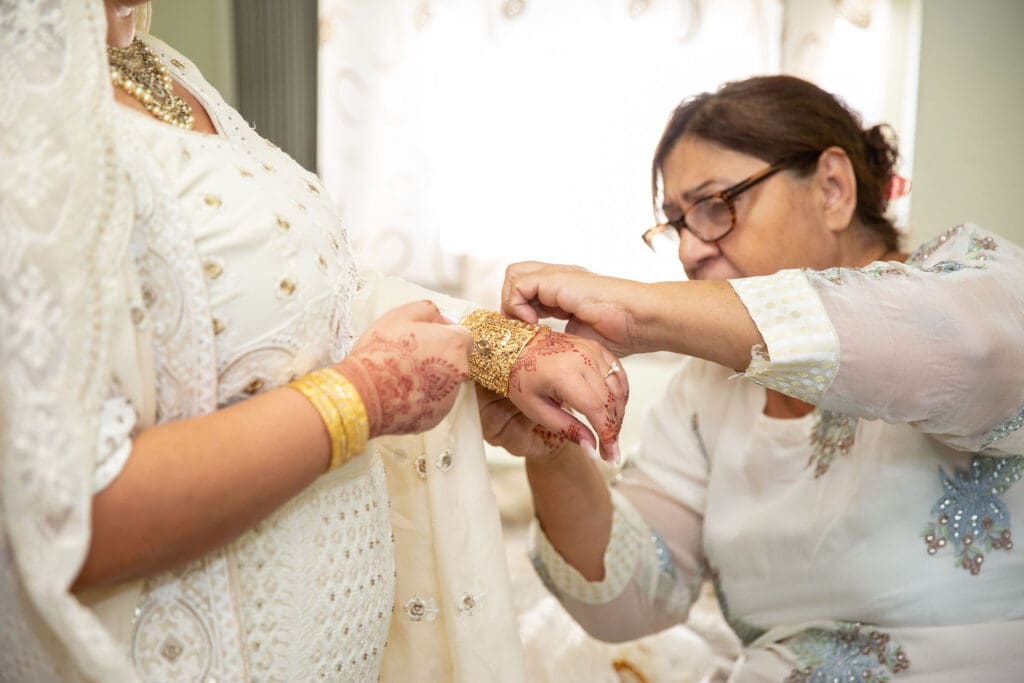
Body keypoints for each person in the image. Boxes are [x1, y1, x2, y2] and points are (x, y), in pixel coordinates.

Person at [0, 2, 626, 681]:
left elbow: (303, 304)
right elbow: (69, 515)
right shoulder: (22, 110)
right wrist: (360, 399)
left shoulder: (159, 63)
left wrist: (497, 349)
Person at [482, 74, 1024, 681]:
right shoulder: (708, 391)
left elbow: (970, 356)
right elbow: (632, 597)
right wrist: (551, 448)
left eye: (716, 206)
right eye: (676, 225)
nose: (690, 252)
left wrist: (642, 312)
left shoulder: (976, 288)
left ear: (833, 189)